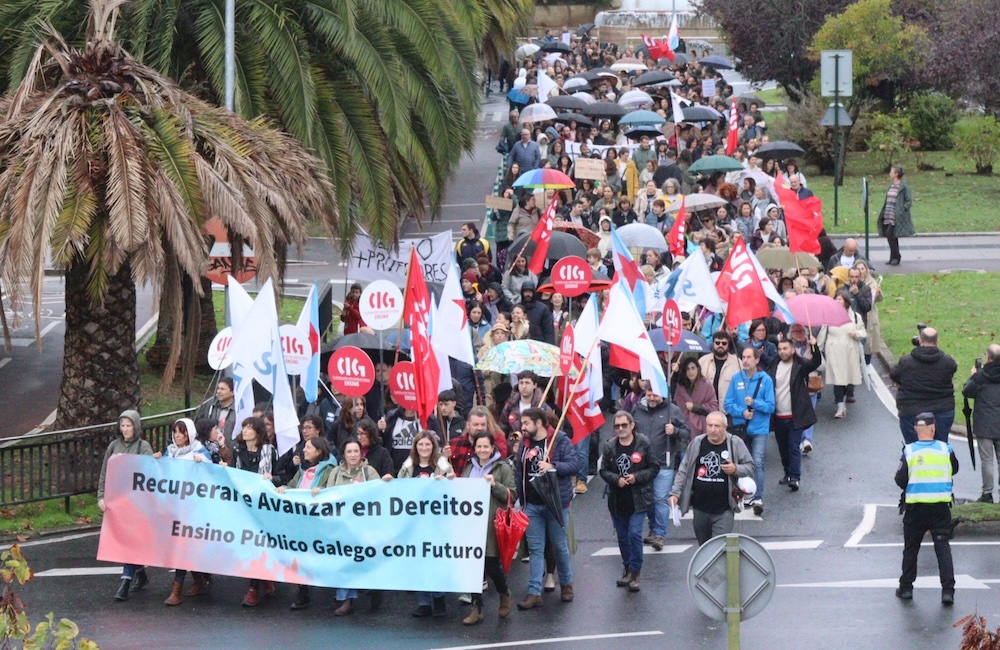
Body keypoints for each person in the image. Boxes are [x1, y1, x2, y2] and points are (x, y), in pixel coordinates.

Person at [894, 413, 958, 605]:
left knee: (911, 548)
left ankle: (906, 588)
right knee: (942, 548)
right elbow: (954, 468)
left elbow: (900, 479)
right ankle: (948, 591)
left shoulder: (909, 451)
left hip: (916, 508)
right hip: (940, 508)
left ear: (916, 430)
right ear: (933, 429)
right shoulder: (946, 449)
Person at [514, 408, 575, 609]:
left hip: (555, 503)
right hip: (532, 505)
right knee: (535, 549)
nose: (522, 428)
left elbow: (574, 465)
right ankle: (534, 592)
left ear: (539, 423)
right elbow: (518, 471)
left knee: (559, 546)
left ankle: (566, 584)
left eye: (526, 423)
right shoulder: (525, 444)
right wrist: (521, 500)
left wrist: (553, 466)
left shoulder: (559, 440)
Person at [669, 411, 755, 545]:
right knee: (704, 549)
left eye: (717, 426)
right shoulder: (697, 443)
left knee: (718, 548)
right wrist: (675, 493)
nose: (713, 430)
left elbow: (750, 467)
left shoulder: (735, 443)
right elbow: (684, 470)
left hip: (724, 509)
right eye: (710, 425)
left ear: (725, 428)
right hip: (700, 508)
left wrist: (735, 469)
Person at [395, 431, 456, 617]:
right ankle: (423, 603)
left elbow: (453, 482)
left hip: (436, 523)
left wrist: (447, 480)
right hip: (414, 523)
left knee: (434, 561)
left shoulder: (441, 464)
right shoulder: (407, 466)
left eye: (427, 445)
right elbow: (399, 488)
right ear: (415, 447)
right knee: (417, 562)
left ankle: (439, 598)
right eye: (420, 445)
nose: (424, 448)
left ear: (433, 447)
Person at [460, 431, 517, 624]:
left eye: (486, 446)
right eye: (479, 446)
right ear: (474, 449)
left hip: (491, 525)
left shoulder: (503, 468)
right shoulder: (469, 468)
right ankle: (476, 608)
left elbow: (512, 495)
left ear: (492, 447)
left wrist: (495, 485)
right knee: (472, 568)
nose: (482, 450)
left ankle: (504, 592)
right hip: (470, 526)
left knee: (491, 565)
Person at [322, 438, 383, 616]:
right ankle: (346, 599)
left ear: (361, 453)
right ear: (344, 454)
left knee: (366, 561)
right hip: (342, 525)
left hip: (365, 525)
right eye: (349, 452)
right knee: (343, 560)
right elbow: (328, 495)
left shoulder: (369, 471)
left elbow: (379, 493)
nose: (353, 455)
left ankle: (375, 589)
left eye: (356, 451)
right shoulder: (335, 473)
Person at [599, 411, 658, 592]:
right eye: (617, 426)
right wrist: (616, 479)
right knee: (623, 537)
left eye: (624, 425)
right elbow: (603, 471)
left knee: (634, 533)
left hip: (638, 498)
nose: (621, 429)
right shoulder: (609, 446)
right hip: (617, 499)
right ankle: (627, 568)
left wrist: (636, 477)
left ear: (632, 425)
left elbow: (654, 467)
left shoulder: (643, 443)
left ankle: (635, 572)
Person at [98, 409, 154, 601]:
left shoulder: (143, 446)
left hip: (136, 505)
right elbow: (105, 472)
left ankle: (125, 582)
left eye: (129, 425)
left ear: (136, 426)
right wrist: (101, 497)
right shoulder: (114, 446)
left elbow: (150, 474)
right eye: (122, 425)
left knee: (130, 542)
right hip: (117, 503)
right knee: (125, 542)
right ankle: (141, 574)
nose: (125, 429)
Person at [280, 436, 338, 610]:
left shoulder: (329, 469)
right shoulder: (303, 470)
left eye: (308, 447)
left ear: (319, 452)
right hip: (301, 520)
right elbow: (292, 486)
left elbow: (334, 490)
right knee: (300, 555)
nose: (304, 450)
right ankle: (302, 592)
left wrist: (322, 491)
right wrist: (284, 489)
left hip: (319, 522)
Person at [630, 381, 690, 552]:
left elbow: (686, 433)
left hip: (664, 462)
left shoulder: (673, 411)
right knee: (647, 500)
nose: (652, 398)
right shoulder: (637, 410)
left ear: (662, 394)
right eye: (649, 394)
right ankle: (653, 528)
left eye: (655, 395)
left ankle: (660, 534)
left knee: (660, 498)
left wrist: (675, 431)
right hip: (642, 464)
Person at [157, 418, 210, 606]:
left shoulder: (200, 452)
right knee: (183, 547)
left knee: (182, 545)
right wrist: (157, 462)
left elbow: (211, 474)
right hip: (173, 507)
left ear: (190, 433)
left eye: (182, 432)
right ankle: (199, 579)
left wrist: (202, 462)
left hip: (192, 509)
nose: (177, 435)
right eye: (176, 432)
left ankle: (176, 589)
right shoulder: (170, 452)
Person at [724, 347, 775, 515]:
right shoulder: (736, 378)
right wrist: (742, 412)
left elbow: (771, 406)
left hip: (760, 428)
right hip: (741, 427)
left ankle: (758, 496)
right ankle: (743, 493)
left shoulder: (765, 379)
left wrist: (754, 403)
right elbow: (727, 404)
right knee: (741, 463)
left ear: (756, 360)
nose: (745, 360)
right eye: (743, 357)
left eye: (748, 357)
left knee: (758, 461)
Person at [767, 336, 822, 492]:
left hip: (795, 415)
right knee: (783, 448)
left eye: (785, 348)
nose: (782, 352)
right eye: (780, 349)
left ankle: (795, 477)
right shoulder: (773, 364)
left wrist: (814, 346)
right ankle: (787, 473)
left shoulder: (800, 365)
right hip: (778, 415)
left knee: (793, 447)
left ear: (792, 349)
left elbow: (815, 362)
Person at [890, 326, 956, 444]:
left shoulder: (906, 362)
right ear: (937, 342)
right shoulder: (947, 362)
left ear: (920, 340)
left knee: (914, 448)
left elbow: (894, 375)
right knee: (940, 447)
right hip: (942, 410)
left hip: (911, 410)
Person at [819, 291, 868, 420]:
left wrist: (856, 333)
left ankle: (845, 396)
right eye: (835, 299)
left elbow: (863, 332)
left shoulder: (856, 316)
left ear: (846, 302)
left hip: (850, 350)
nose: (837, 302)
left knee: (847, 378)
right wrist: (817, 349)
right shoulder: (828, 316)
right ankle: (840, 406)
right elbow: (823, 334)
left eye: (840, 299)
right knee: (837, 379)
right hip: (834, 350)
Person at [963, 345, 1000, 502]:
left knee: (987, 461)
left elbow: (967, 392)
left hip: (984, 423)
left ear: (988, 358)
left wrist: (973, 375)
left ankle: (987, 492)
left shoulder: (981, 377)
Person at [878, 165, 914, 266]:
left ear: (896, 174)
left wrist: (902, 210)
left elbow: (908, 200)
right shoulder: (892, 185)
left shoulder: (903, 186)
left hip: (896, 216)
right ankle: (893, 257)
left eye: (891, 172)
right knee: (892, 236)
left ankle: (896, 256)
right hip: (888, 214)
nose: (890, 174)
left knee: (890, 234)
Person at [699, 331, 741, 406]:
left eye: (724, 343)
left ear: (728, 345)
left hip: (728, 410)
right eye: (717, 343)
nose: (720, 345)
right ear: (713, 344)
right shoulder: (703, 361)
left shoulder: (737, 363)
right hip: (707, 408)